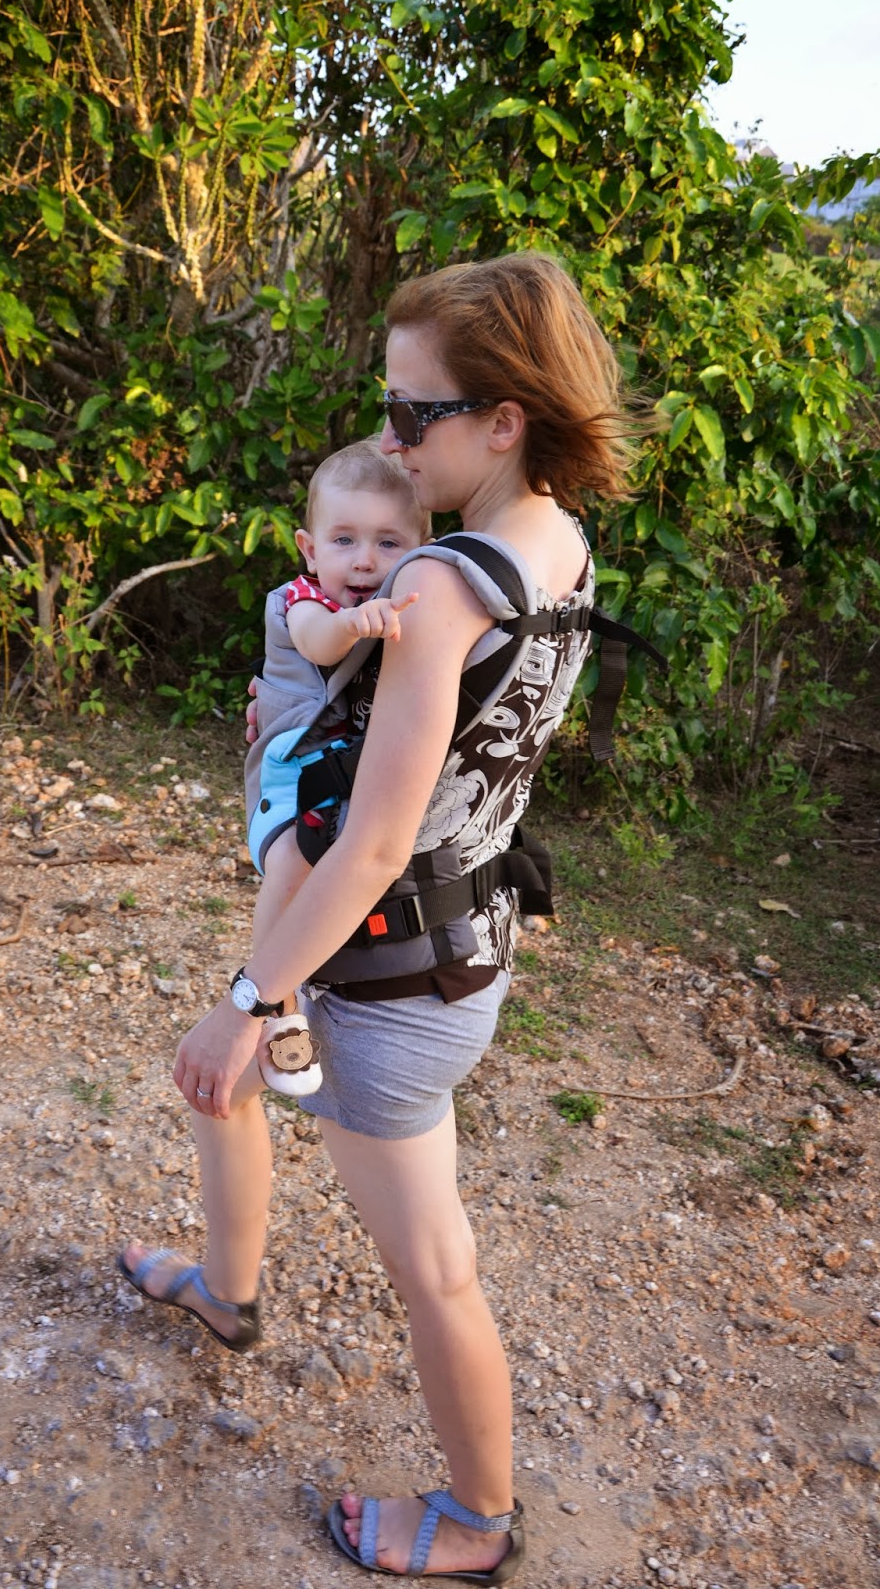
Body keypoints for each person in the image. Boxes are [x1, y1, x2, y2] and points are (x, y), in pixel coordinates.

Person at [118, 251, 638, 1583]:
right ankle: (227, 1289)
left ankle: (476, 1518)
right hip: (454, 939)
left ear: (501, 419)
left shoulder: (443, 584)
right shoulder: (554, 539)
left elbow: (375, 841)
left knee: (431, 1265)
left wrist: (252, 1000)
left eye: (414, 412)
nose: (394, 441)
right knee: (227, 1096)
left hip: (391, 968)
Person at [245, 439, 427, 1094]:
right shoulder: (302, 601)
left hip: (344, 770)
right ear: (309, 548)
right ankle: (274, 1006)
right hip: (289, 771)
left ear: (423, 550)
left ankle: (316, 977)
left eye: (388, 542)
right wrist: (354, 622)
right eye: (344, 540)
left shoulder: (404, 610)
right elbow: (318, 644)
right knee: (296, 862)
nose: (364, 560)